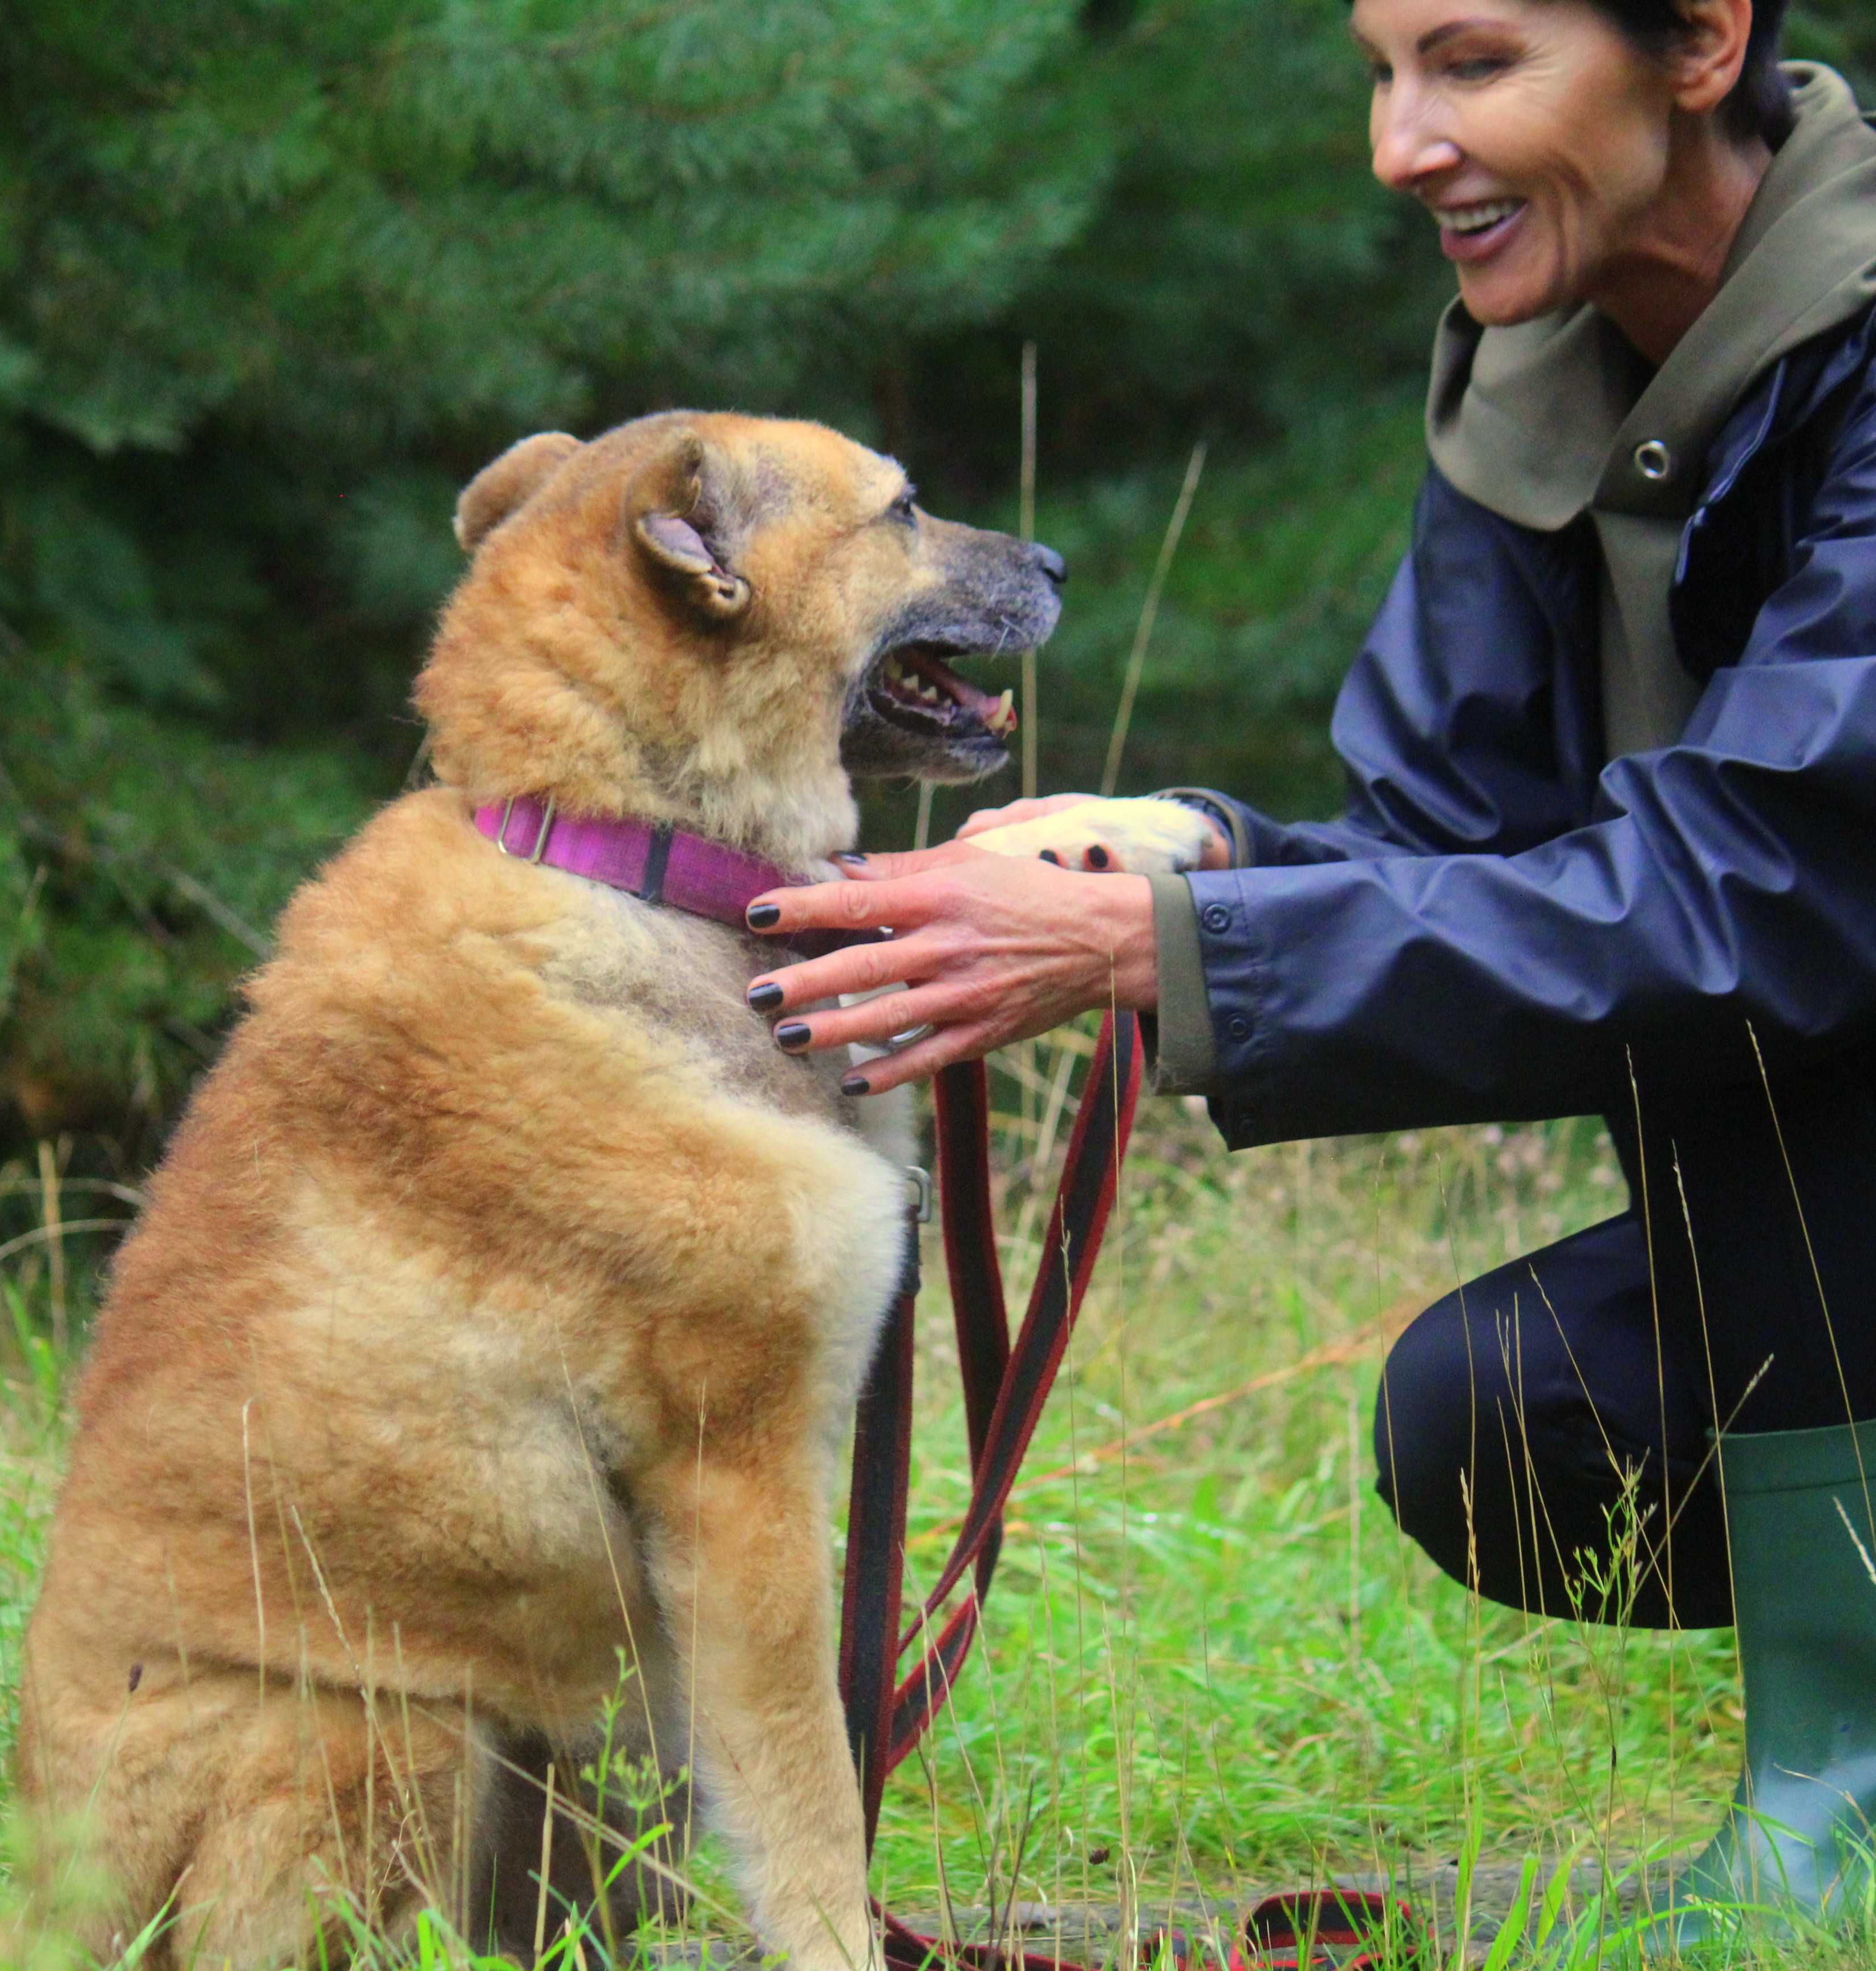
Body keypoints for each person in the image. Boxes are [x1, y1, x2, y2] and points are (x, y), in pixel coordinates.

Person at [742, 0, 1876, 1934]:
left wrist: (1155, 944)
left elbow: (1766, 899)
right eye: (1377, 72)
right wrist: (1184, 851)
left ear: (1696, 42)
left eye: (1471, 62)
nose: (1397, 145)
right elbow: (1459, 843)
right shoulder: (1547, 361)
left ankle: (1826, 1801)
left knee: (1770, 1056)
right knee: (1514, 1418)